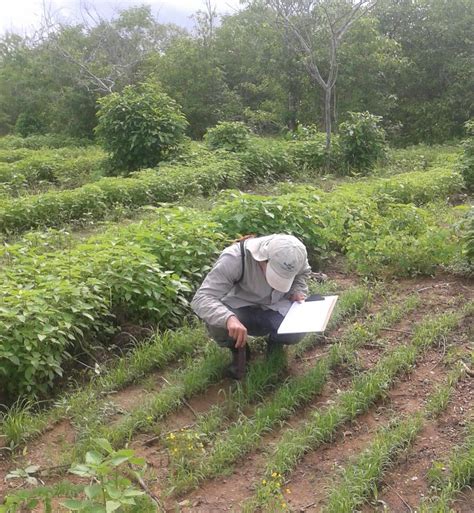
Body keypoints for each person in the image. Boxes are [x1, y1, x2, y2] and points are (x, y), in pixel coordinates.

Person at [191, 234, 311, 378]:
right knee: (219, 325)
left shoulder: (295, 255)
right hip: (241, 309)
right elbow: (202, 298)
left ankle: (275, 344)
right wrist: (228, 318)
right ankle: (238, 349)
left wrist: (297, 291)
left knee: (297, 330)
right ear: (262, 259)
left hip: (275, 307)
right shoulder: (235, 258)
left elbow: (302, 275)